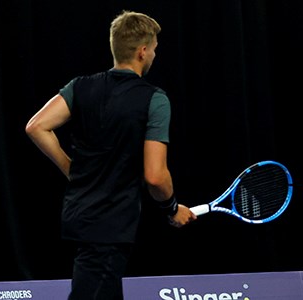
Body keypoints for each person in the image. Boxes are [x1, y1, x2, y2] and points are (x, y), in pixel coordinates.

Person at [25, 10, 196, 300]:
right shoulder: (155, 99)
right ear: (143, 52)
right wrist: (172, 208)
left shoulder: (80, 86)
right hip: (109, 225)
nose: (154, 55)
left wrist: (72, 169)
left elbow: (37, 126)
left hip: (82, 217)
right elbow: (155, 177)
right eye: (153, 50)